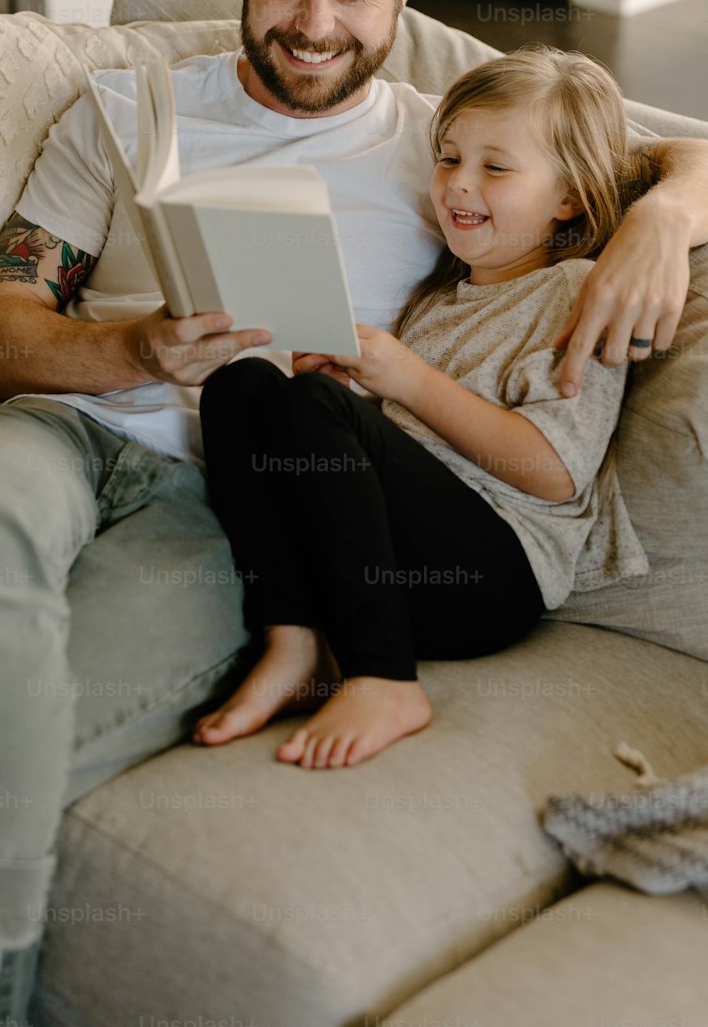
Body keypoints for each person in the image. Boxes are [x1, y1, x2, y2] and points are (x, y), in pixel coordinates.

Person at [0, 0, 708, 1027]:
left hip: (234, 507)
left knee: (10, 713)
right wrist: (127, 344)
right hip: (57, 431)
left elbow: (706, 163)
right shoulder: (126, 112)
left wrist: (655, 221)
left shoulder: (446, 143)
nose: (315, 28)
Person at [194, 46, 649, 770]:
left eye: (495, 168)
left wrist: (402, 382)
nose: (458, 185)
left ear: (568, 196)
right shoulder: (438, 296)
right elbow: (397, 446)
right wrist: (347, 397)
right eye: (447, 158)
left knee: (310, 403)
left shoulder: (577, 293)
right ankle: (295, 635)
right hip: (390, 557)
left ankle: (384, 678)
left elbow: (555, 473)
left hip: (494, 574)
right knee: (242, 384)